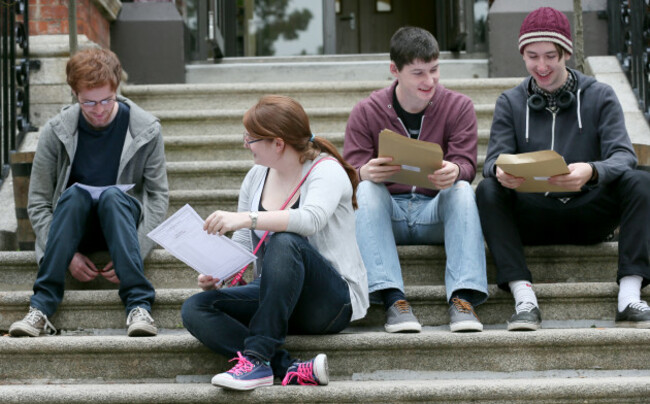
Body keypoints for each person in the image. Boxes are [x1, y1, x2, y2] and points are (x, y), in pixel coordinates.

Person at [476, 7, 650, 331]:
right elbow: (491, 161)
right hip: (533, 215)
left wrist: (592, 171)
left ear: (566, 52)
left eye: (550, 56)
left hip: (591, 214)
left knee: (641, 179)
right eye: (532, 56)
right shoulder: (509, 102)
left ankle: (629, 295)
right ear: (522, 55)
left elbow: (623, 155)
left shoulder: (601, 95)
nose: (541, 66)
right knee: (487, 188)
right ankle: (524, 298)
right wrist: (501, 172)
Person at [181, 95, 369, 391]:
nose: (246, 144)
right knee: (195, 307)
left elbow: (309, 220)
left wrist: (245, 218)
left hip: (329, 301)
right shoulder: (256, 176)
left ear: (277, 143)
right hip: (277, 296)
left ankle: (255, 360)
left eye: (251, 138)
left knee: (286, 240)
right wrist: (223, 273)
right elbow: (245, 244)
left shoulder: (326, 171)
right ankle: (287, 367)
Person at [8, 47, 169, 338]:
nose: (99, 109)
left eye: (106, 100)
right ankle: (41, 308)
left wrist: (134, 252)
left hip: (120, 222)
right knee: (74, 195)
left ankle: (138, 306)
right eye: (88, 102)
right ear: (75, 94)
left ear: (116, 88)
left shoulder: (146, 129)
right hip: (72, 225)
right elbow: (39, 202)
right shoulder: (55, 131)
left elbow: (158, 197)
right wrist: (66, 253)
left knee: (113, 197)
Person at [343, 26, 488, 333]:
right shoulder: (366, 111)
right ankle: (394, 300)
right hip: (387, 214)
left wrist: (456, 171)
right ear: (394, 70)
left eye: (435, 70)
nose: (430, 81)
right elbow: (348, 171)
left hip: (433, 210)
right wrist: (363, 172)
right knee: (366, 190)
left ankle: (463, 300)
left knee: (463, 190)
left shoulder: (458, 106)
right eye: (419, 73)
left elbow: (466, 163)